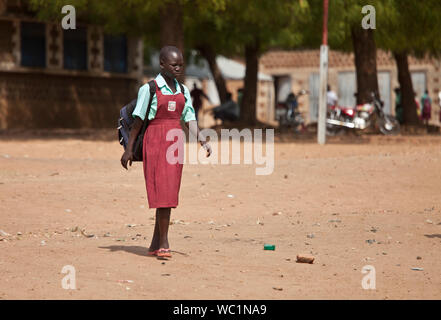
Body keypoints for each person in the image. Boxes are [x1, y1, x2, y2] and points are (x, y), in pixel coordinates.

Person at [120, 46, 212, 259]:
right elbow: (138, 121)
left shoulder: (182, 90)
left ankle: (155, 243)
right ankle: (164, 243)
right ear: (162, 64)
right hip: (155, 141)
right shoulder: (149, 89)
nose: (178, 68)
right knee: (162, 191)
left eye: (181, 64)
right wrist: (129, 150)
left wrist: (202, 141)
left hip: (175, 143)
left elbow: (189, 118)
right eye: (174, 64)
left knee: (169, 191)